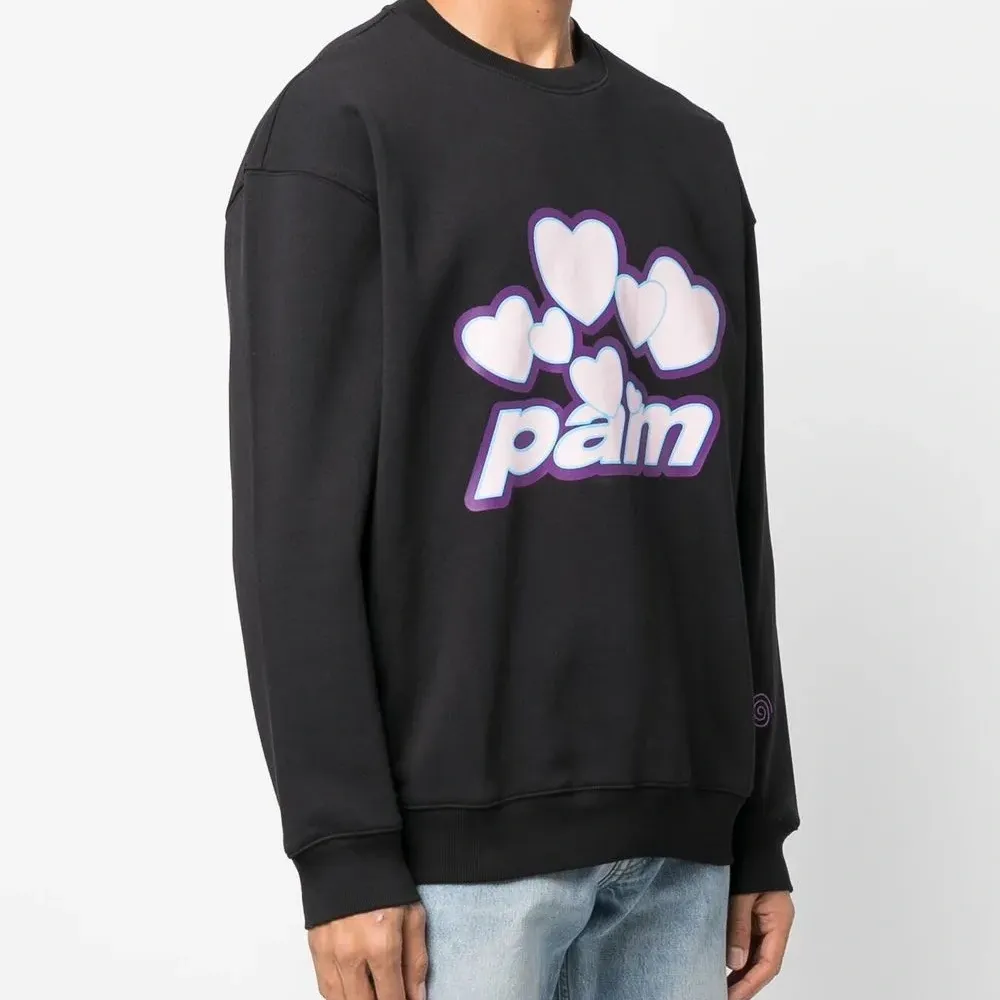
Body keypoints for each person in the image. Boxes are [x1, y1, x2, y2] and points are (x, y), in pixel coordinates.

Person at [223, 0, 799, 997]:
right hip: (452, 871)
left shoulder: (688, 148)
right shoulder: (342, 130)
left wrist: (759, 822)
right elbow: (294, 528)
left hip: (683, 850)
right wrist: (343, 844)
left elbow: (735, 514)